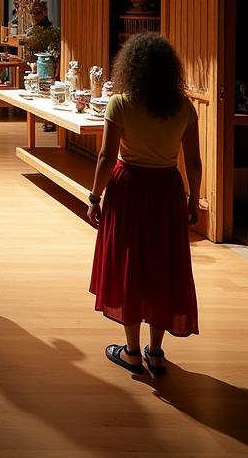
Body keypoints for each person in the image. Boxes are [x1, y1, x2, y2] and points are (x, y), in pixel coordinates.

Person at [88, 32, 202, 374]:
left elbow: (107, 156)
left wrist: (95, 196)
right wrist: (193, 199)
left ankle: (132, 352)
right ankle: (155, 352)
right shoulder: (184, 108)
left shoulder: (120, 103)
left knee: (130, 263)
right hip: (167, 190)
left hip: (129, 188)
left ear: (131, 68)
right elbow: (193, 163)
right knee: (161, 265)